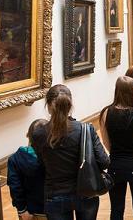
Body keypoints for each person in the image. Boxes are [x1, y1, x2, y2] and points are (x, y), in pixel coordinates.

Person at [32, 85, 110, 220]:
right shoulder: (85, 129)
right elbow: (104, 162)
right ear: (70, 105)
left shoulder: (38, 134)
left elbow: (41, 165)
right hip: (86, 190)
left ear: (48, 106)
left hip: (55, 193)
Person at [99, 76, 133, 220]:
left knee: (116, 208)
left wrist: (115, 152)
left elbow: (106, 142)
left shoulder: (105, 113)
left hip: (115, 163)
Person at [8, 119, 47, 220]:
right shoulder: (55, 155)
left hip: (29, 212)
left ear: (28, 135)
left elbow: (15, 187)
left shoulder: (15, 159)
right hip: (54, 210)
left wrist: (22, 210)